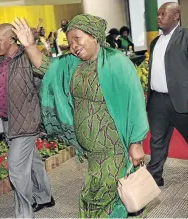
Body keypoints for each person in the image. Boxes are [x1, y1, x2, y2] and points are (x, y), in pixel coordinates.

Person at [12, 14, 148, 218]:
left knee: (99, 198)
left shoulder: (116, 62)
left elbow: (135, 102)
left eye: (78, 38)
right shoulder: (72, 63)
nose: (73, 45)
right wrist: (30, 46)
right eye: (70, 40)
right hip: (93, 151)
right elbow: (47, 67)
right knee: (106, 195)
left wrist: (136, 142)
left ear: (94, 36)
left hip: (114, 148)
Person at [0, 23, 53, 218]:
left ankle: (24, 214)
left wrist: (43, 119)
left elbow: (48, 80)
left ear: (11, 40)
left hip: (27, 123)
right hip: (8, 122)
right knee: (32, 160)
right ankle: (44, 196)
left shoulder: (28, 59)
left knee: (17, 169)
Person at [146, 2, 188, 186]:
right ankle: (155, 175)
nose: (158, 17)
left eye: (163, 14)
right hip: (157, 100)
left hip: (182, 100)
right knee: (157, 139)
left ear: (176, 17)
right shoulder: (155, 42)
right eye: (158, 14)